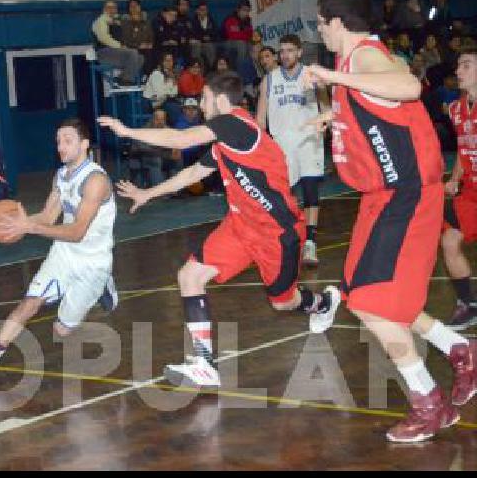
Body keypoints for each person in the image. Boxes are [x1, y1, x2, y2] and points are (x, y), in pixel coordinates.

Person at [305, 0, 476, 443]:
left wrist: (337, 81)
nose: (320, 31)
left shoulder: (361, 57)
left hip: (405, 193)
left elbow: (405, 86)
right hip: (383, 195)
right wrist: (333, 114)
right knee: (370, 293)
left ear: (336, 21)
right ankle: (459, 348)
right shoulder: (352, 63)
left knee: (370, 303)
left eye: (321, 23)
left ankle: (429, 404)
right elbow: (376, 106)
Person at [98, 71, 340, 389]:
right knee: (189, 276)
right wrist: (147, 195)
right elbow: (192, 173)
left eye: (204, 98)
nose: (200, 105)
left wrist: (127, 130)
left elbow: (182, 139)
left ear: (220, 99)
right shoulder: (226, 140)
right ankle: (204, 362)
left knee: (283, 302)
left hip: (275, 232)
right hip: (240, 227)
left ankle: (322, 303)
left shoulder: (235, 123)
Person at [0, 118, 118, 389]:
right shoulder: (62, 175)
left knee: (62, 330)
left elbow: (77, 231)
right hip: (64, 253)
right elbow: (47, 216)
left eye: (67, 140)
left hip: (93, 262)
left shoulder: (96, 181)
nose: (60, 146)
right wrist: (15, 225)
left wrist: (28, 226)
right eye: (58, 141)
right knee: (29, 303)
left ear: (85, 144)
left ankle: (104, 285)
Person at [256, 34, 327, 266]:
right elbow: (260, 119)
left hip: (308, 138)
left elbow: (326, 105)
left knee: (310, 188)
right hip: (282, 141)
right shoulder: (269, 80)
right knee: (286, 194)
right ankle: (290, 237)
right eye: (282, 51)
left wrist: (325, 124)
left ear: (299, 52)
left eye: (289, 50)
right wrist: (259, 146)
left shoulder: (312, 75)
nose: (285, 55)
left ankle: (311, 243)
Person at [442, 45, 477, 330]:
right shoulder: (455, 109)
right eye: (458, 65)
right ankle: (469, 305)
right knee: (449, 241)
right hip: (471, 193)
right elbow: (463, 150)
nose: (458, 71)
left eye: (466, 65)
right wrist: (454, 177)